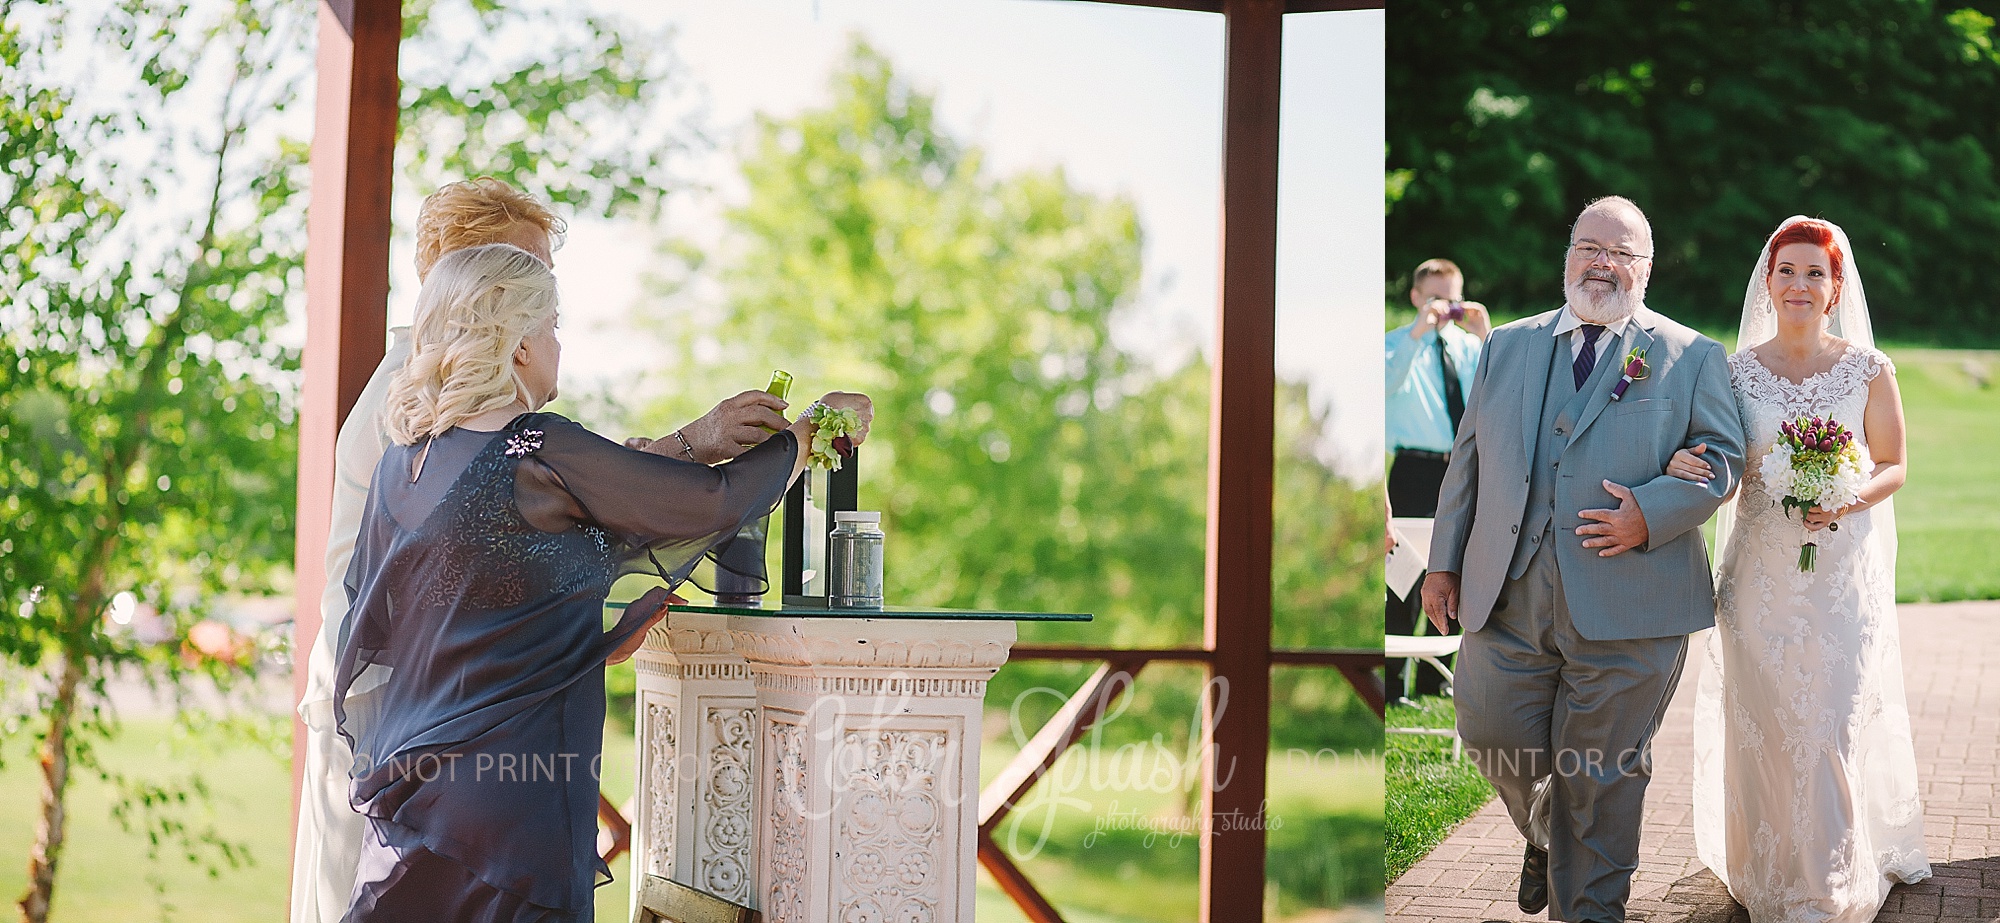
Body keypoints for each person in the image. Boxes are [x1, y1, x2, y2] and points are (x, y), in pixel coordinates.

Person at [290, 178, 794, 923]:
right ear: (476, 285)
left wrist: (577, 628)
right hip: (415, 731)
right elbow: (518, 514)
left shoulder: (428, 420)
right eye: (529, 277)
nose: (546, 292)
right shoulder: (438, 408)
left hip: (421, 742)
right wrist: (797, 441)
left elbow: (508, 542)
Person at [1422, 196, 1746, 922]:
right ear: (1567, 256)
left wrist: (1650, 511)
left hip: (1634, 604)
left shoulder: (1690, 355)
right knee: (1489, 729)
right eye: (1589, 247)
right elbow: (1468, 459)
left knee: (1600, 779)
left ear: (1647, 268)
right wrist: (1442, 563)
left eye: (1622, 252)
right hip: (1508, 596)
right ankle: (1543, 828)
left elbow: (1723, 458)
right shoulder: (1509, 343)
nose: (1603, 263)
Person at [1676, 216, 1930, 921]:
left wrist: (1848, 494)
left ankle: (1824, 887)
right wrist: (1686, 468)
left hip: (1842, 581)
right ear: (1768, 280)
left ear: (1835, 285)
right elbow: (1723, 472)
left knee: (1830, 725)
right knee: (1765, 727)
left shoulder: (1869, 370)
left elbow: (1893, 464)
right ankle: (1769, 871)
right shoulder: (1734, 373)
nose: (1799, 284)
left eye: (1814, 273)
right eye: (1786, 270)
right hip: (1758, 582)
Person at [1384, 258, 1489, 699]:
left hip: (1463, 466)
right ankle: (1393, 681)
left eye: (1452, 299)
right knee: (1402, 574)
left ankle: (1435, 678)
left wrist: (1486, 335)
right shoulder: (1394, 344)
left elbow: (1502, 390)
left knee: (1455, 564)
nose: (1445, 308)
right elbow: (1386, 387)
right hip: (1414, 466)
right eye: (1435, 298)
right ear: (1416, 298)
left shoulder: (1469, 348)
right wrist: (1416, 335)